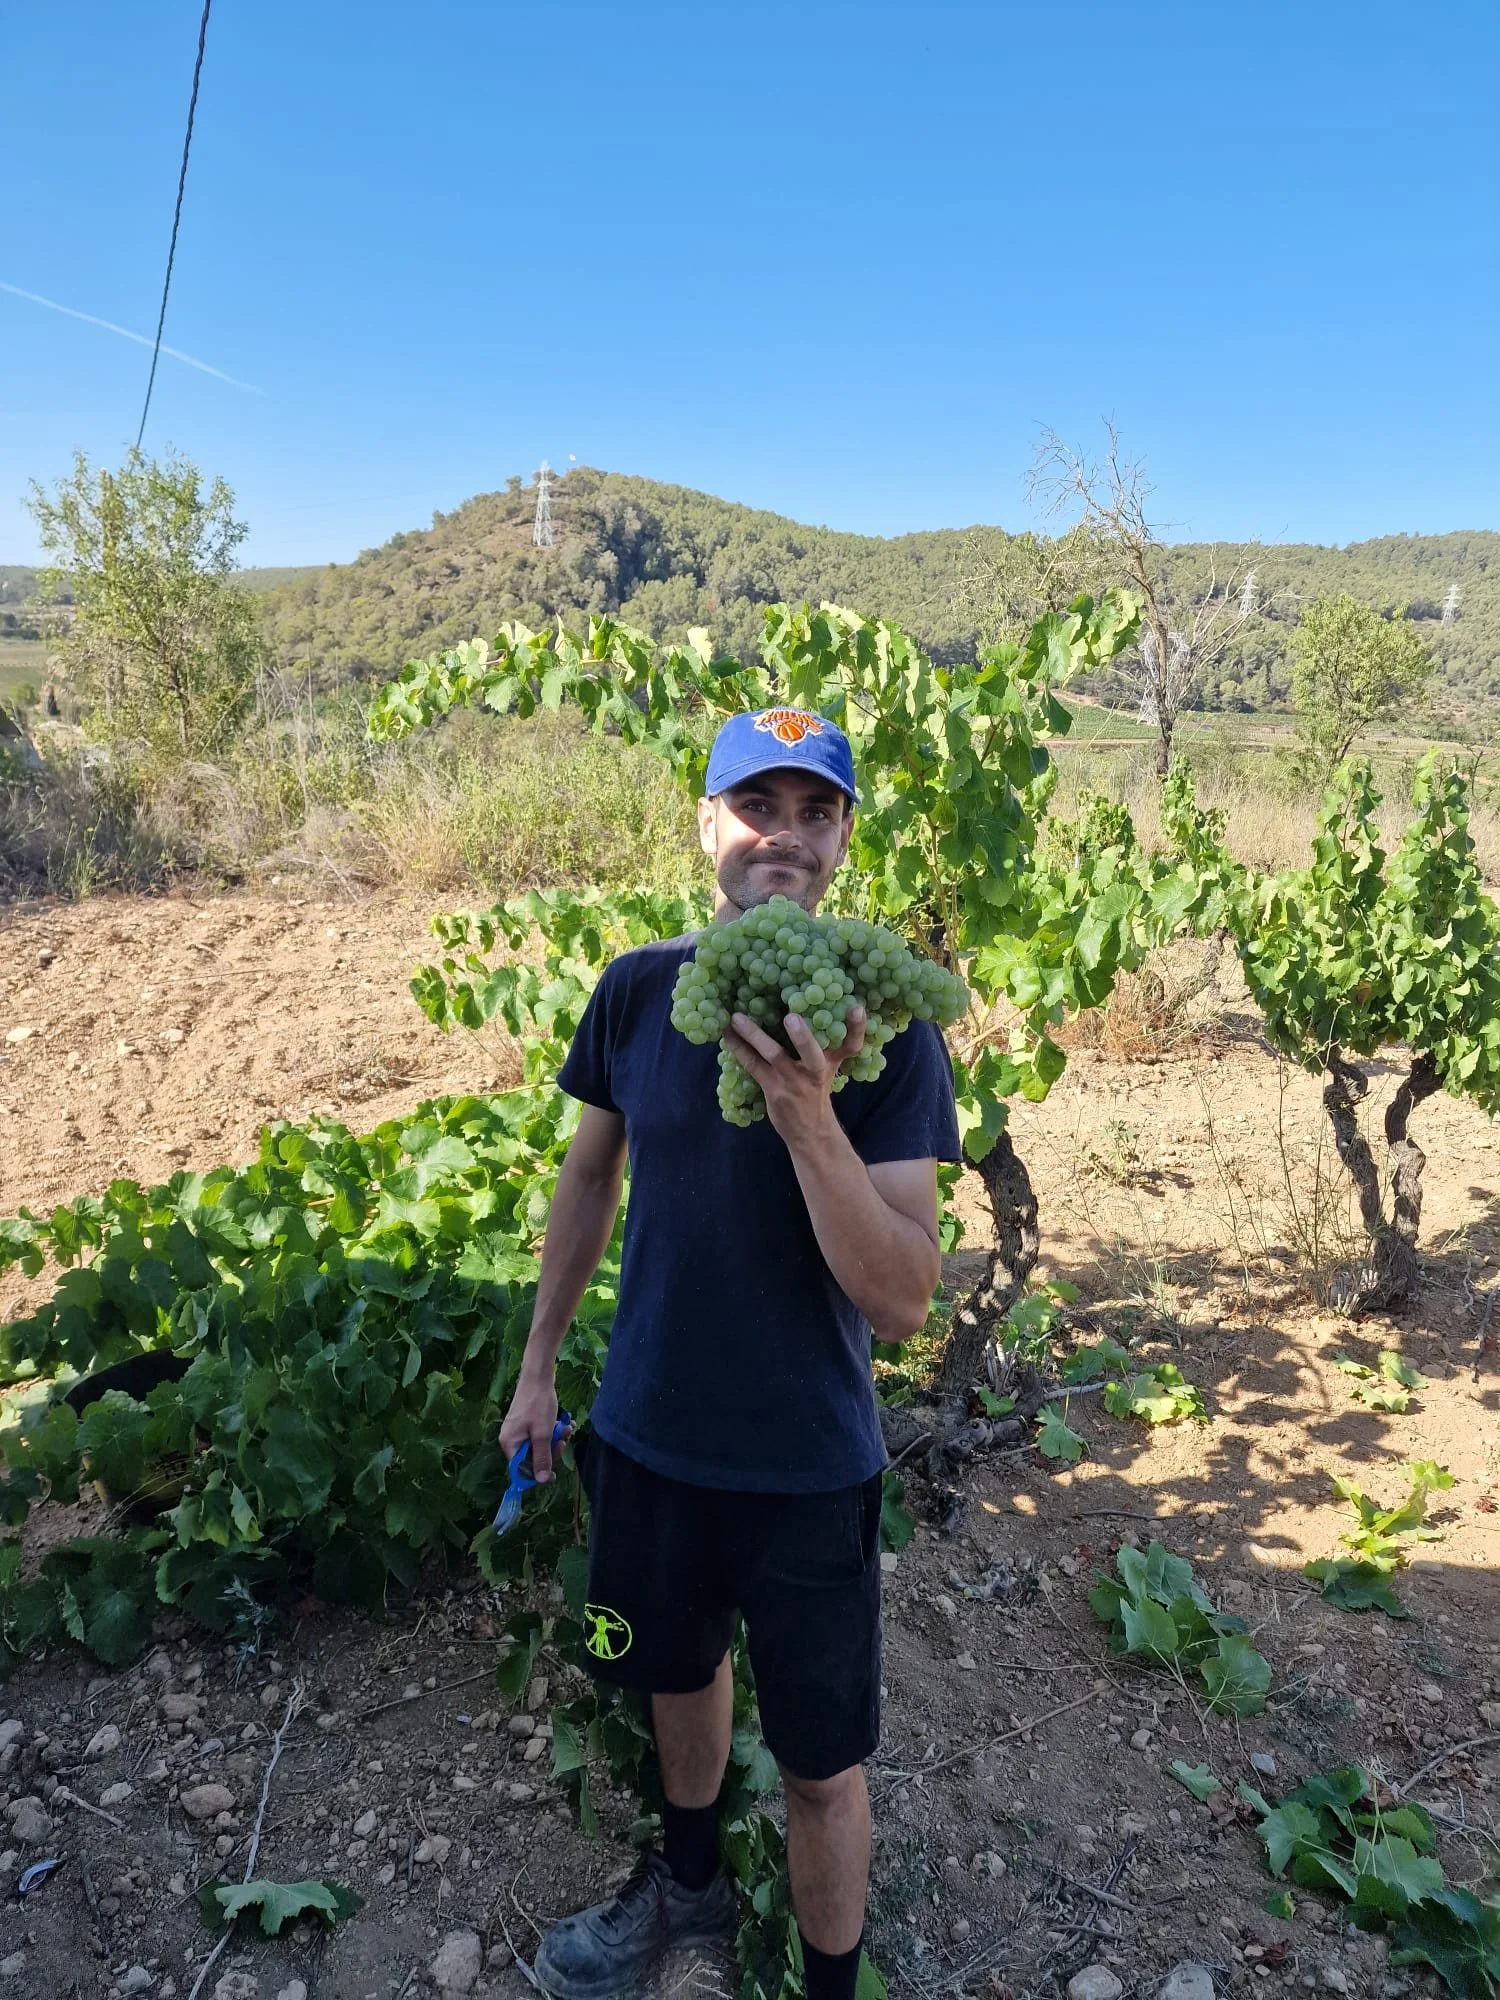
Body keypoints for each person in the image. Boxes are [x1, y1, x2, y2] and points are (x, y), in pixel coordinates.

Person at [500, 706, 960, 2000]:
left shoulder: (882, 1026)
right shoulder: (643, 990)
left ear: (844, 838)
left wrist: (808, 1112)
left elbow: (904, 1297)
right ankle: (688, 1895)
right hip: (648, 1429)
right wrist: (541, 1370)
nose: (787, 837)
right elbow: (589, 1180)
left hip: (808, 1463)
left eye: (816, 812)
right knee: (677, 1677)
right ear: (709, 823)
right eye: (760, 806)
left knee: (823, 1768)